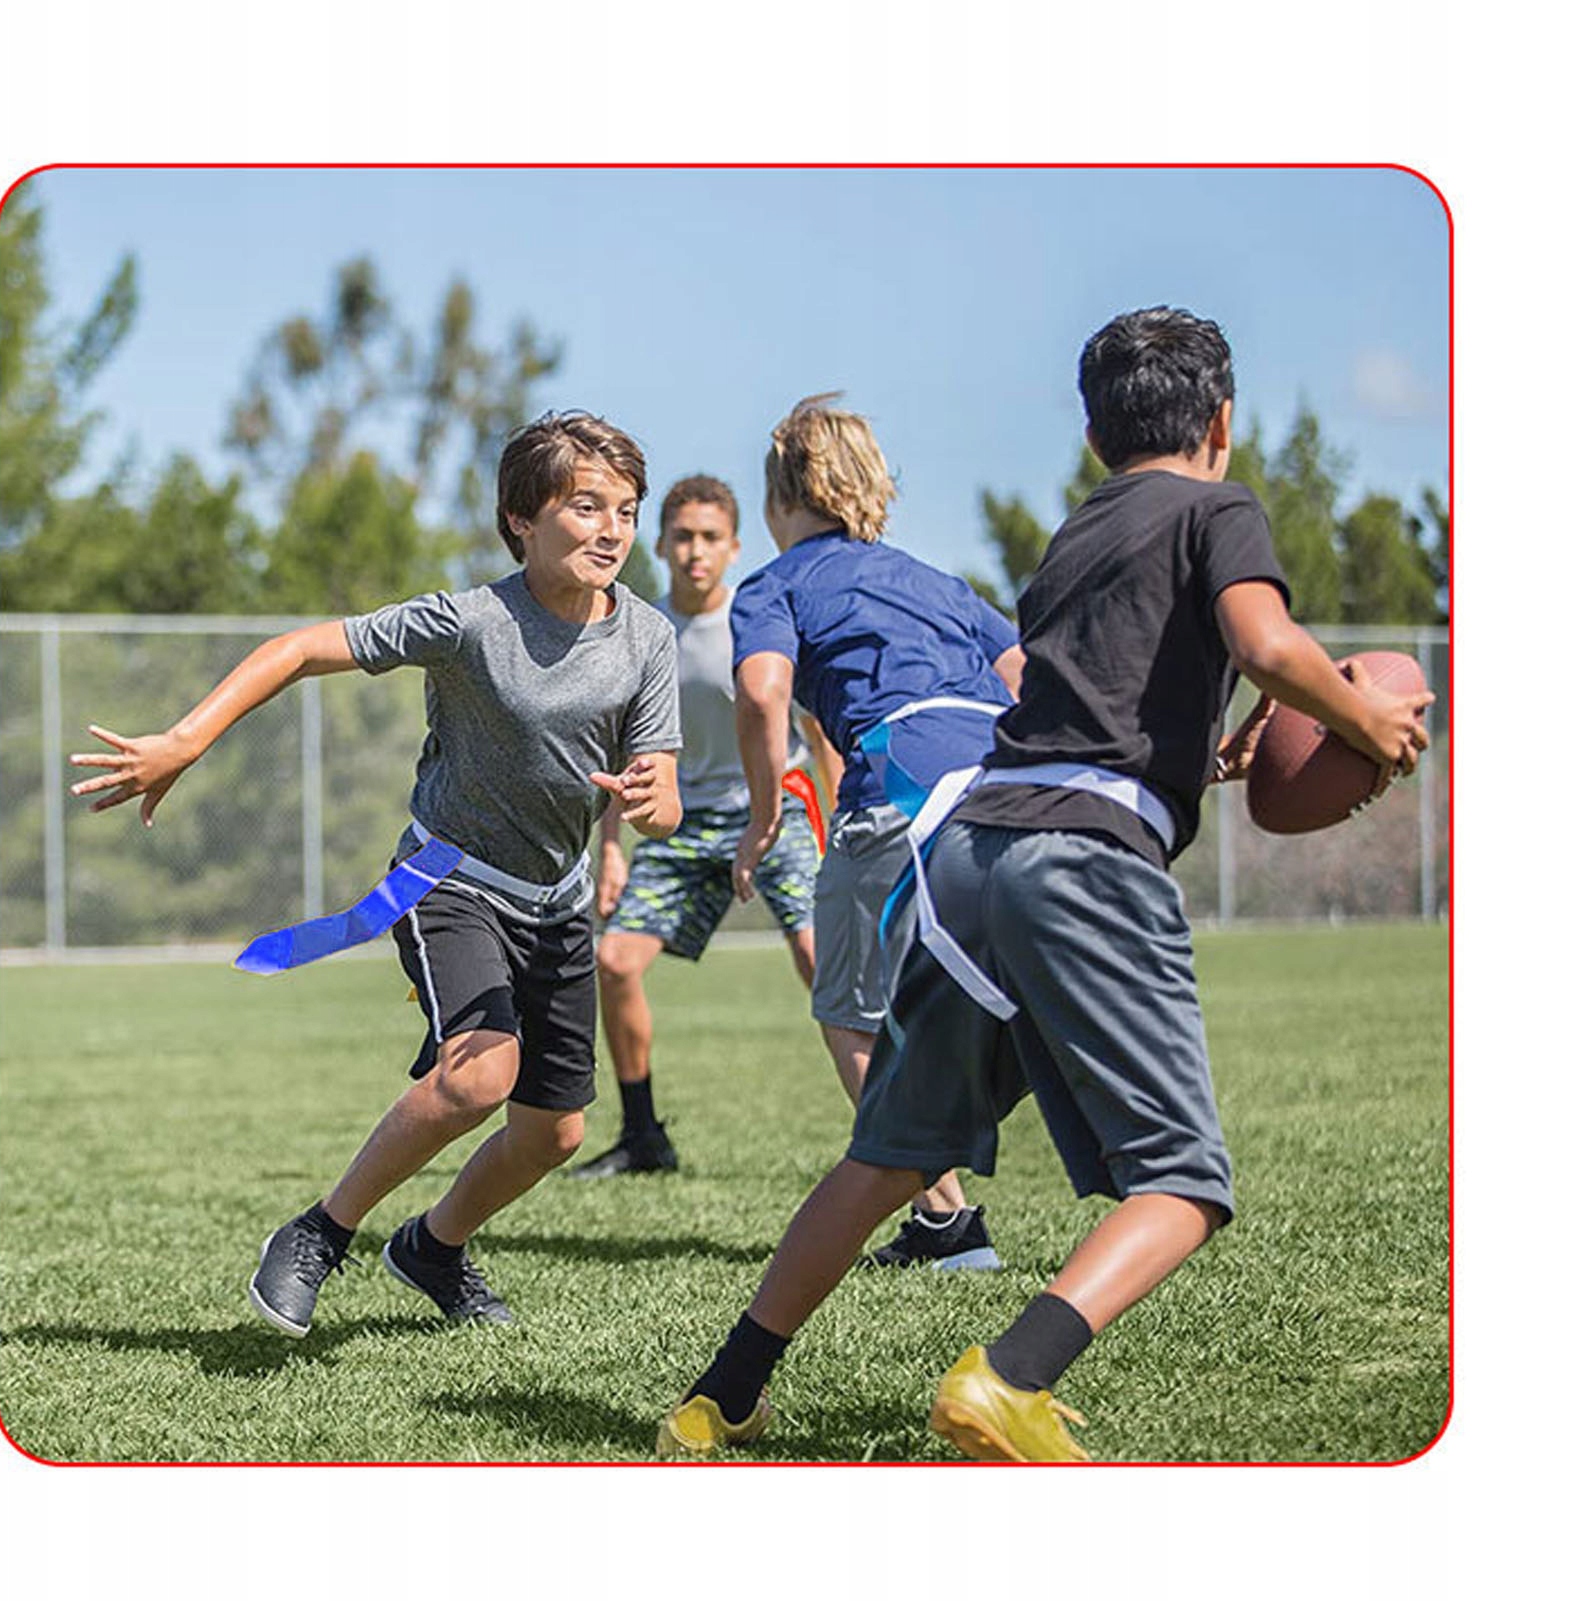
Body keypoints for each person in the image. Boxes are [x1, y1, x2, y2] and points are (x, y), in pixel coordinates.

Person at [656, 308, 1434, 1461]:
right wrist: (1360, 717)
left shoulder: (1074, 536)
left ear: (1091, 436)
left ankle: (718, 1396)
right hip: (1078, 859)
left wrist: (1208, 753)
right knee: (1180, 1180)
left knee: (887, 1156)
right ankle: (1008, 1376)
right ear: (1220, 423)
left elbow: (1083, 707)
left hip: (970, 854)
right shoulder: (1215, 507)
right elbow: (1265, 643)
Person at [69, 412, 682, 1337]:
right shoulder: (470, 621)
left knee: (553, 1132)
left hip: (556, 905)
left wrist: (650, 801)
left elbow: (661, 795)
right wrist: (186, 740)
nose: (612, 530)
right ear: (520, 518)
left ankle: (432, 1246)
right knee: (478, 1076)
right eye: (587, 506)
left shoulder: (647, 637)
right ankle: (318, 1232)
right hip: (449, 878)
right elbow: (299, 649)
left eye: (627, 512)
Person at [727, 395, 1024, 1269]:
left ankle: (945, 1222)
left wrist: (763, 813)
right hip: (1008, 789)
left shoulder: (776, 583)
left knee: (849, 1013)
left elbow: (761, 691)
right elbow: (1027, 676)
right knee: (1000, 996)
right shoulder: (937, 582)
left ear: (780, 496)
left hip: (897, 793)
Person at [572, 474, 826, 1178]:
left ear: (735, 547)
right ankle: (642, 1136)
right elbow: (623, 755)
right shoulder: (638, 631)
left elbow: (817, 732)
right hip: (679, 824)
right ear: (659, 544)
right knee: (614, 961)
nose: (695, 551)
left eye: (710, 537)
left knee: (823, 962)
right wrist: (612, 850)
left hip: (776, 810)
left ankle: (896, 1135)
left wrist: (838, 827)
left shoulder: (760, 624)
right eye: (682, 536)